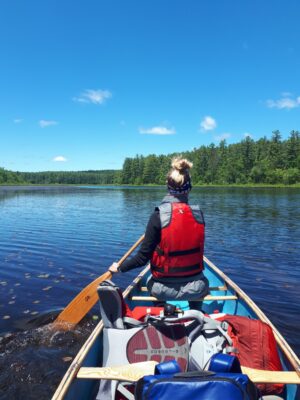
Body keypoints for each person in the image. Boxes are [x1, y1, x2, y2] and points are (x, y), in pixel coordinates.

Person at [109, 157, 209, 307]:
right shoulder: (198, 214)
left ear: (168, 188)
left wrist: (119, 268)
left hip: (162, 289)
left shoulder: (158, 216)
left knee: (154, 284)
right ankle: (196, 314)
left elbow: (142, 258)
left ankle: (160, 314)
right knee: (198, 287)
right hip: (196, 287)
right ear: (189, 188)